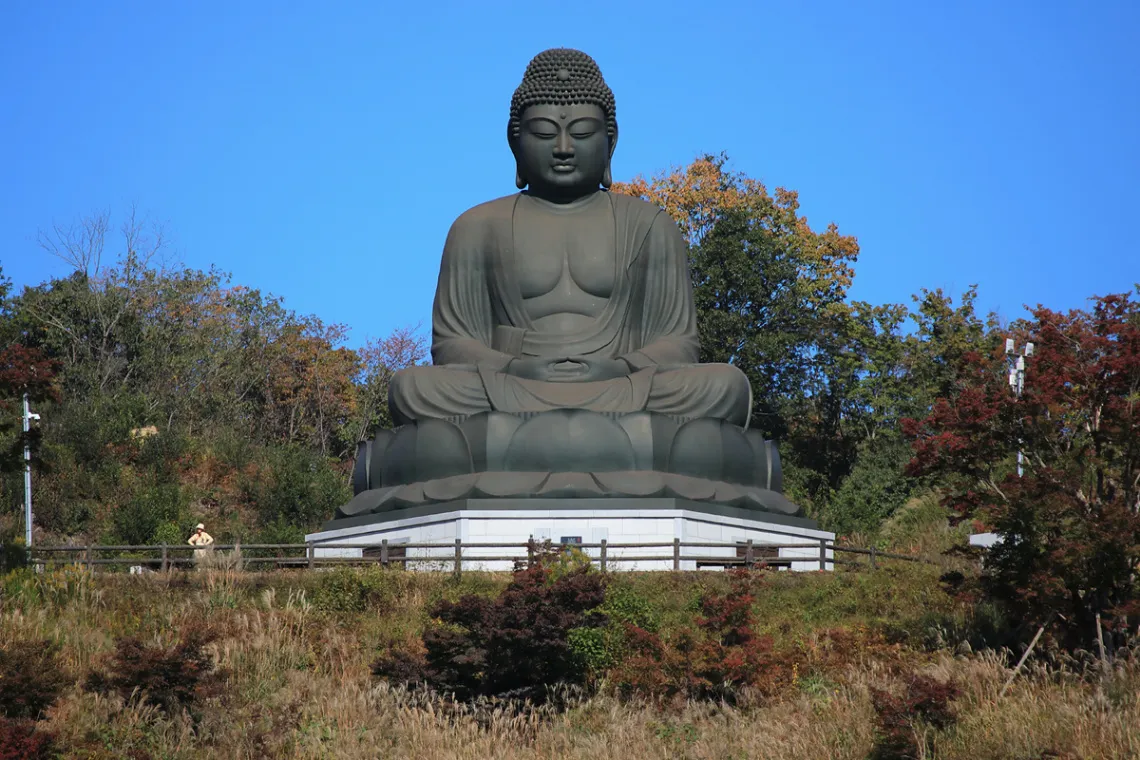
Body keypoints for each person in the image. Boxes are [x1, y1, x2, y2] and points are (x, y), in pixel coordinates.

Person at [387, 48, 752, 429]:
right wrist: (515, 367)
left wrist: (619, 367)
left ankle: (508, 443)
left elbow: (679, 343)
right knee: (413, 389)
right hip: (512, 386)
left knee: (724, 386)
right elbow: (452, 344)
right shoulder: (477, 227)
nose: (563, 148)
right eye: (545, 133)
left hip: (621, 385)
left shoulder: (650, 225)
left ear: (610, 141)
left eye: (582, 133)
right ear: (515, 142)